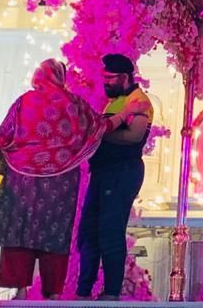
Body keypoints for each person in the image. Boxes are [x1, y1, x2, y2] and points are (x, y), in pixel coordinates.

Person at [0, 59, 116, 299]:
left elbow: (4, 133)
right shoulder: (73, 104)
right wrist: (123, 116)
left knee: (20, 229)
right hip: (61, 181)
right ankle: (53, 292)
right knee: (55, 232)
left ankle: (20, 290)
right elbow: (98, 127)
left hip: (22, 178)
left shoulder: (24, 102)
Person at [75, 53, 152, 301]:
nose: (105, 82)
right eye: (104, 77)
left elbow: (133, 137)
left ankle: (110, 293)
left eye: (110, 78)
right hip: (103, 172)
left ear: (125, 77)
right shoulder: (118, 102)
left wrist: (100, 134)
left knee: (110, 230)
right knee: (89, 230)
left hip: (122, 172)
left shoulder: (139, 101)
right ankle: (84, 291)